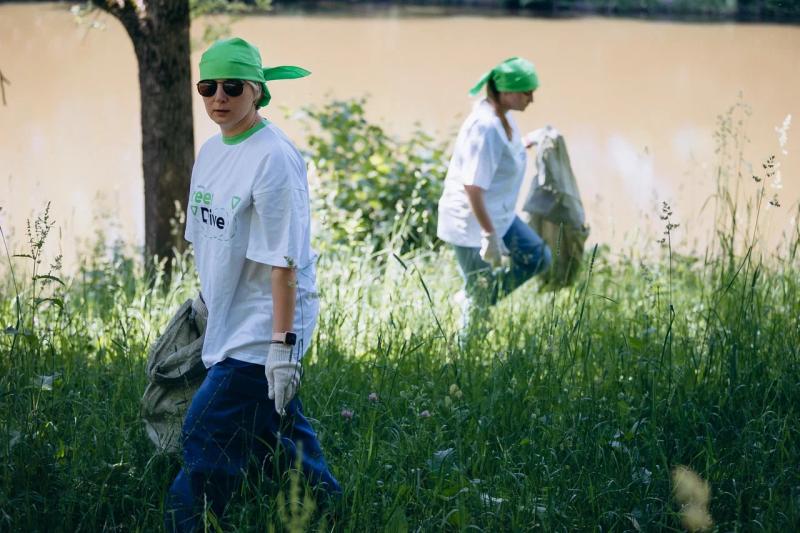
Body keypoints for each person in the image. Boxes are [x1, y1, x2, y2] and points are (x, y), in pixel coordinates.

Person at [165, 37, 341, 532]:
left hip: (266, 323)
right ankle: (326, 505)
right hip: (230, 315)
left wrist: (282, 351)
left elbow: (284, 263)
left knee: (204, 432)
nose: (218, 96)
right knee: (271, 428)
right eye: (208, 86)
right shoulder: (213, 149)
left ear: (258, 91)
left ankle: (191, 522)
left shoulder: (274, 158)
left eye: (232, 86)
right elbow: (213, 240)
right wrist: (205, 303)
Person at [437, 57, 552, 335]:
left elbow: (501, 155)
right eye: (526, 91)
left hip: (497, 216)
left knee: (538, 257)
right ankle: (465, 361)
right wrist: (489, 236)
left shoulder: (504, 117)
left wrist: (531, 140)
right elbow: (472, 186)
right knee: (479, 295)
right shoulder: (485, 126)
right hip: (472, 223)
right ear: (506, 92)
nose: (531, 98)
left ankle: (474, 299)